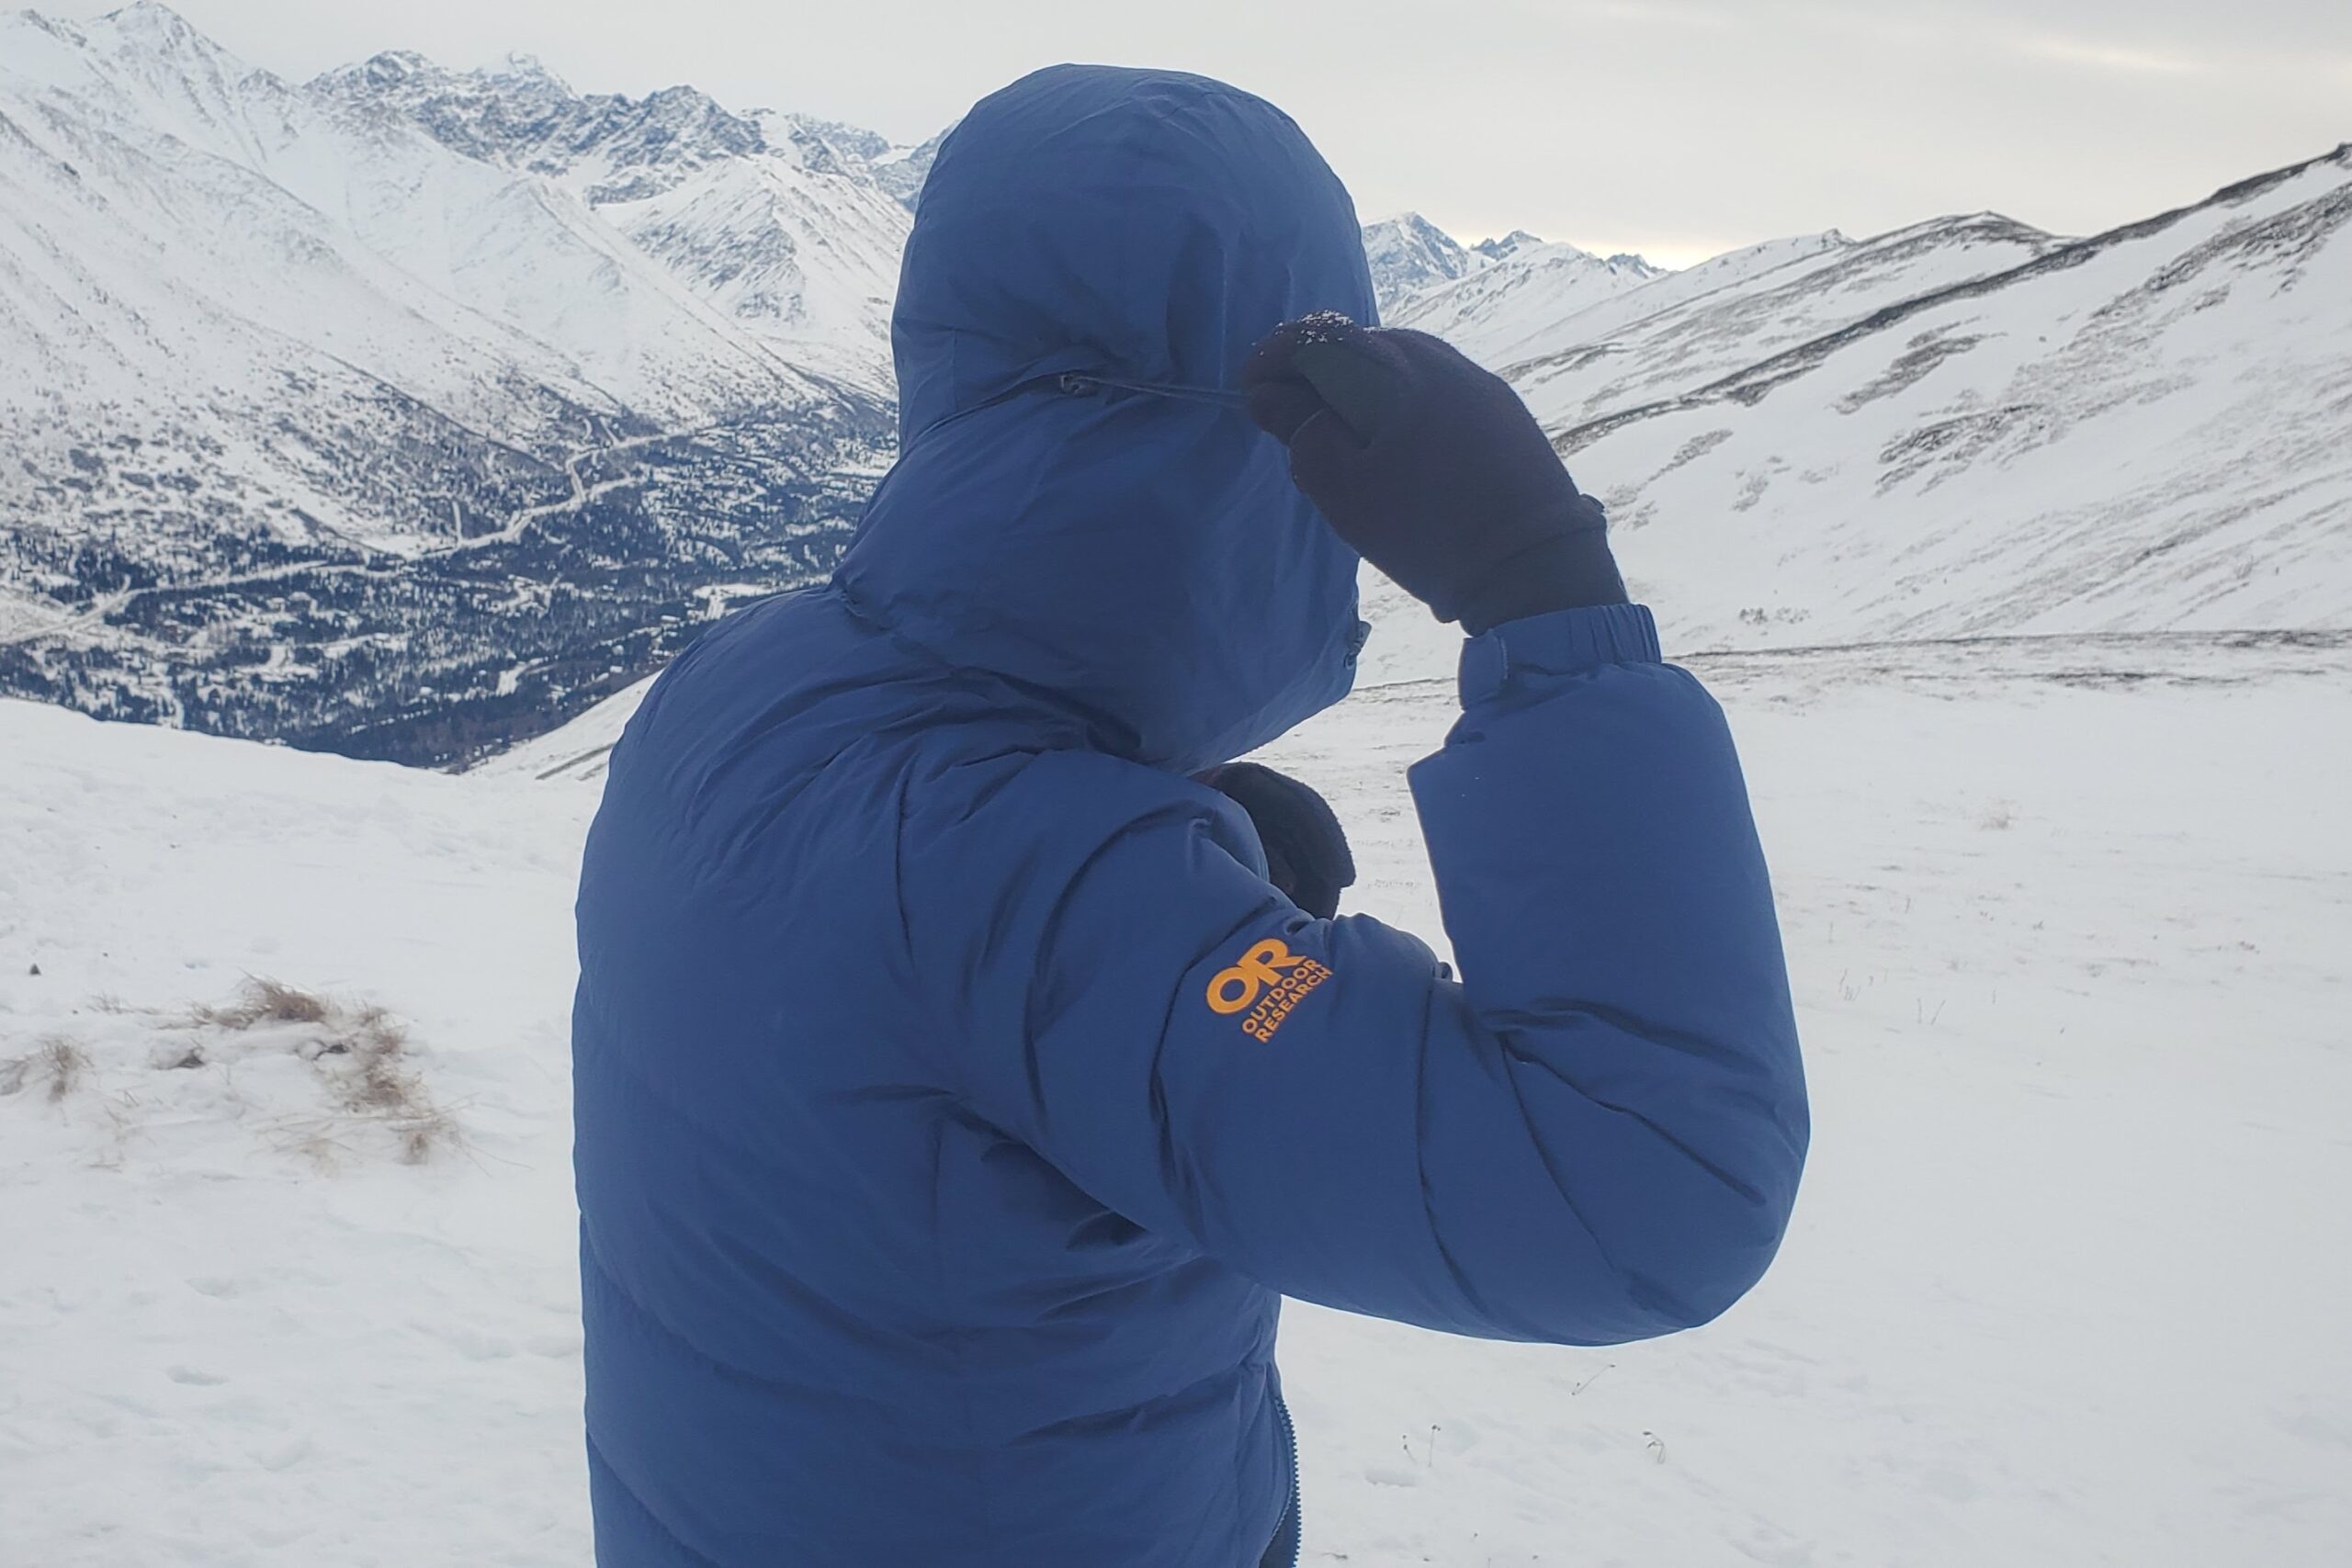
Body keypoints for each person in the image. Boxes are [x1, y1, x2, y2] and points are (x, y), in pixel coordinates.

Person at [571, 62, 1808, 1568]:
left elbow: (873, 1000)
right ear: (1284, 442)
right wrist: (1543, 598)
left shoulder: (745, 688)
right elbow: (1648, 1191)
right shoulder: (1042, 885)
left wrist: (1172, 825)